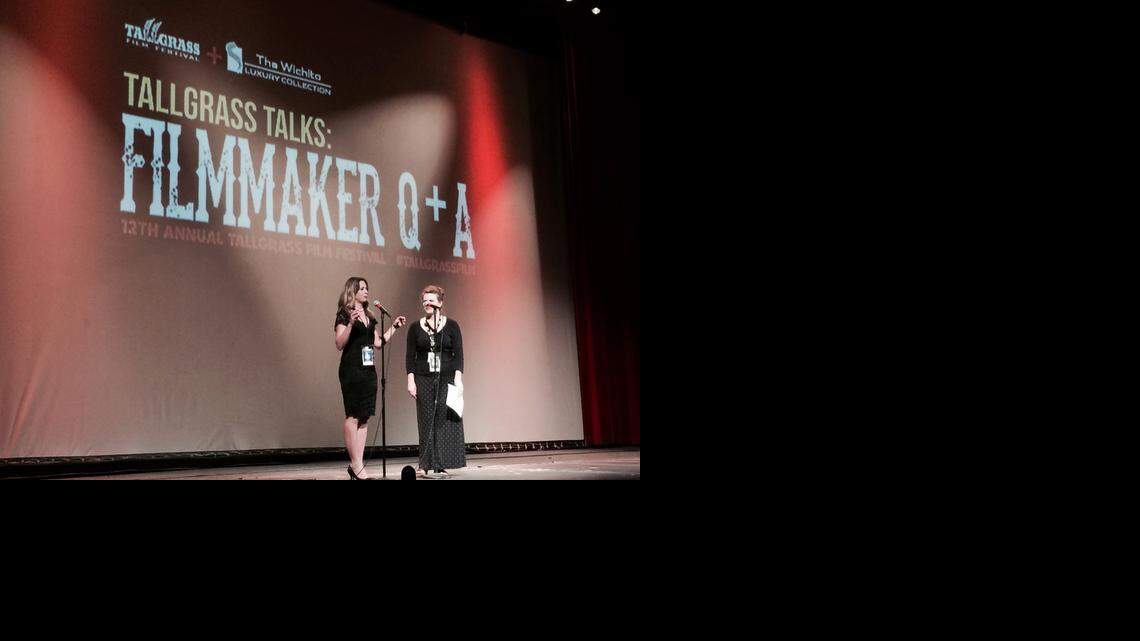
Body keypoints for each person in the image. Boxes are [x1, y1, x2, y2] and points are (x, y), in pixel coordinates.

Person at [334, 277, 406, 480]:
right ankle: (356, 464)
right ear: (353, 291)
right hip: (352, 370)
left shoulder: (370, 315)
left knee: (364, 418)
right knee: (353, 415)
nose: (366, 291)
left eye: (367, 288)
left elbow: (377, 343)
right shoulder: (344, 314)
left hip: (368, 372)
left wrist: (395, 327)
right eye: (362, 288)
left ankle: (357, 464)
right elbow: (339, 343)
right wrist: (350, 324)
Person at [406, 284, 466, 478]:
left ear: (440, 302)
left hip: (446, 376)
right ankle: (424, 464)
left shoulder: (452, 325)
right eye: (425, 300)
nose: (427, 303)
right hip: (423, 377)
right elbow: (410, 357)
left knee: (442, 420)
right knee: (425, 420)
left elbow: (458, 355)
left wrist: (458, 378)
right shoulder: (416, 327)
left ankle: (440, 463)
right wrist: (411, 380)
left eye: (431, 300)